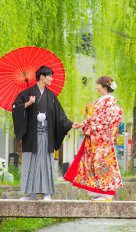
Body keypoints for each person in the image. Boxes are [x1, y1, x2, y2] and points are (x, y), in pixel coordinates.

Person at [12, 65, 79, 200]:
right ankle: (31, 194)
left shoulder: (51, 96)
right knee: (30, 163)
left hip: (46, 135)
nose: (51, 79)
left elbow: (60, 116)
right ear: (42, 77)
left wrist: (71, 124)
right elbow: (15, 108)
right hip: (32, 136)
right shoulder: (27, 94)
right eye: (49, 76)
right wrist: (28, 103)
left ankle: (47, 193)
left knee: (46, 163)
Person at [64, 75, 124, 201]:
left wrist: (90, 119)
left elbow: (106, 119)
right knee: (94, 164)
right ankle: (99, 191)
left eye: (98, 85)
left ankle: (107, 192)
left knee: (103, 164)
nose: (97, 87)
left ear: (104, 87)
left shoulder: (109, 101)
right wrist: (83, 123)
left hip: (102, 139)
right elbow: (92, 117)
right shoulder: (100, 100)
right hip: (96, 137)